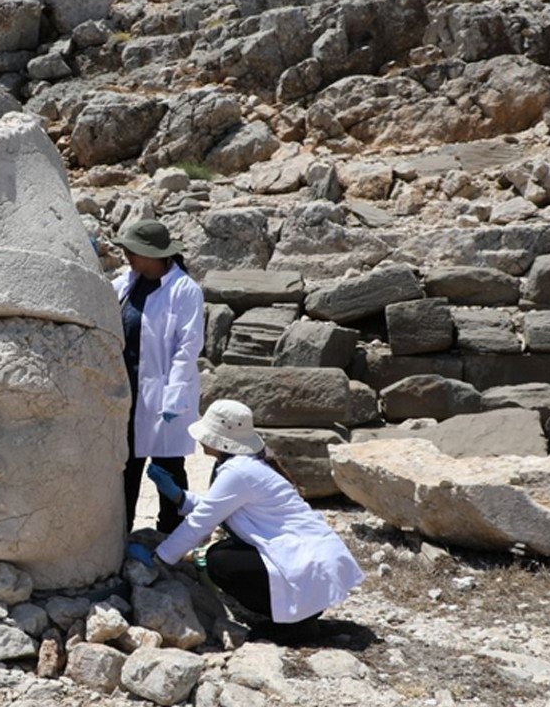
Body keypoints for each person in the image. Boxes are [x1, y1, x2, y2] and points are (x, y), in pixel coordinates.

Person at [127, 399, 365, 645]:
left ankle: (294, 625)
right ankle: (297, 615)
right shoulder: (242, 465)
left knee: (219, 561)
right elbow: (217, 506)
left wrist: (159, 559)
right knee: (226, 554)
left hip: (307, 564)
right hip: (312, 564)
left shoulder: (238, 472)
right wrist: (178, 496)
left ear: (221, 440)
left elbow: (200, 522)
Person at [111, 219, 205, 534]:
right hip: (128, 391)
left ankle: (171, 537)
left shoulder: (184, 290)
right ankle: (121, 533)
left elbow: (188, 347)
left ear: (152, 254)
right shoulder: (128, 282)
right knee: (126, 467)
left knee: (168, 468)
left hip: (165, 393)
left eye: (132, 252)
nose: (127, 257)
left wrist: (174, 397)